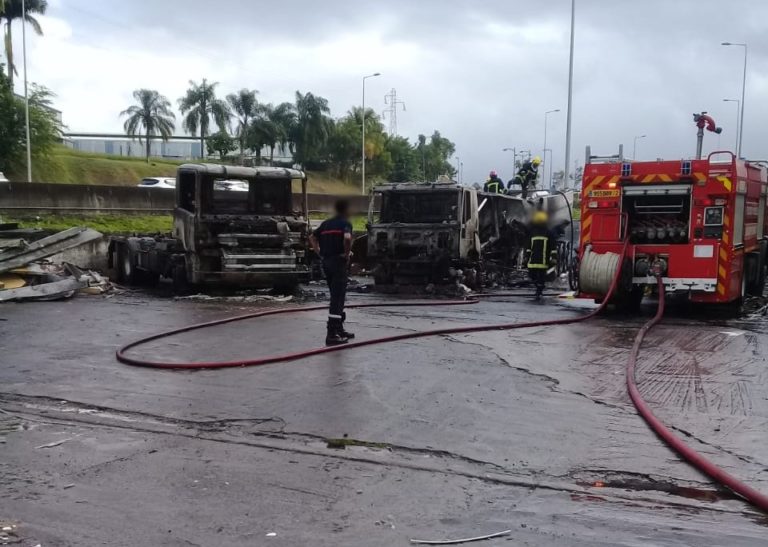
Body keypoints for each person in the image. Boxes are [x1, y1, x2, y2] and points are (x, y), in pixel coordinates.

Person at [309, 199, 354, 345]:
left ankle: (339, 329)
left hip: (326, 262)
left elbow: (312, 237)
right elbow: (347, 238)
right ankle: (332, 334)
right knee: (337, 297)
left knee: (337, 295)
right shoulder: (345, 224)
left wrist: (319, 252)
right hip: (338, 262)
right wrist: (346, 254)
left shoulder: (326, 223)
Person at [526, 209, 558, 300]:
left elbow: (553, 247)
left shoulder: (548, 233)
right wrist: (526, 257)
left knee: (541, 277)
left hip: (543, 260)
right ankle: (539, 288)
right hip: (533, 261)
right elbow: (528, 246)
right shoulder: (532, 232)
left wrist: (554, 258)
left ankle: (539, 291)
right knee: (532, 275)